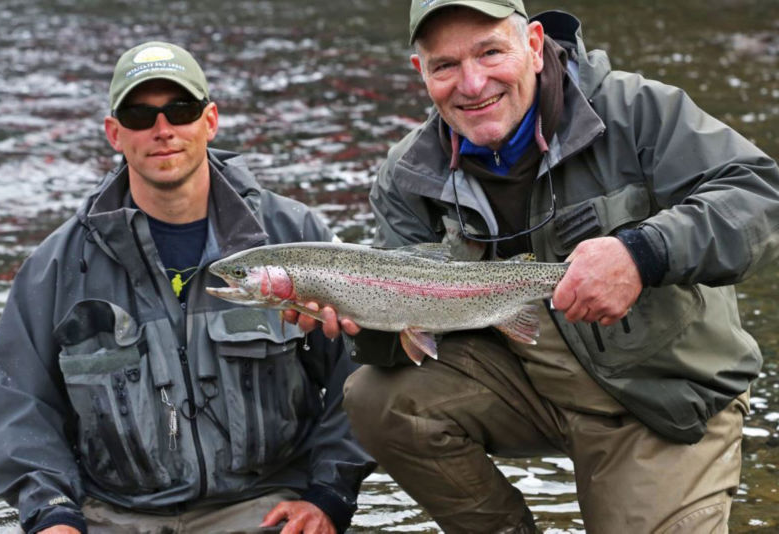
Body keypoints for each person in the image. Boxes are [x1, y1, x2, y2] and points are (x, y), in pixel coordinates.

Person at [288, 1, 779, 532]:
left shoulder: (634, 109)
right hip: (526, 385)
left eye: (490, 52)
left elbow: (761, 197)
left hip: (661, 399)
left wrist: (644, 252)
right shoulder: (408, 174)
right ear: (420, 72)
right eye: (445, 66)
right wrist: (357, 317)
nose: (472, 84)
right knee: (375, 397)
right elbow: (410, 332)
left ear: (535, 45)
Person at [0, 41, 374, 534]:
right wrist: (51, 512)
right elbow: (19, 403)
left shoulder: (293, 236)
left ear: (210, 121)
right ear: (114, 133)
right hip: (109, 516)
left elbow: (360, 373)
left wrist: (330, 495)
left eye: (180, 110)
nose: (162, 129)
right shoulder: (56, 266)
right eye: (140, 116)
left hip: (268, 506)